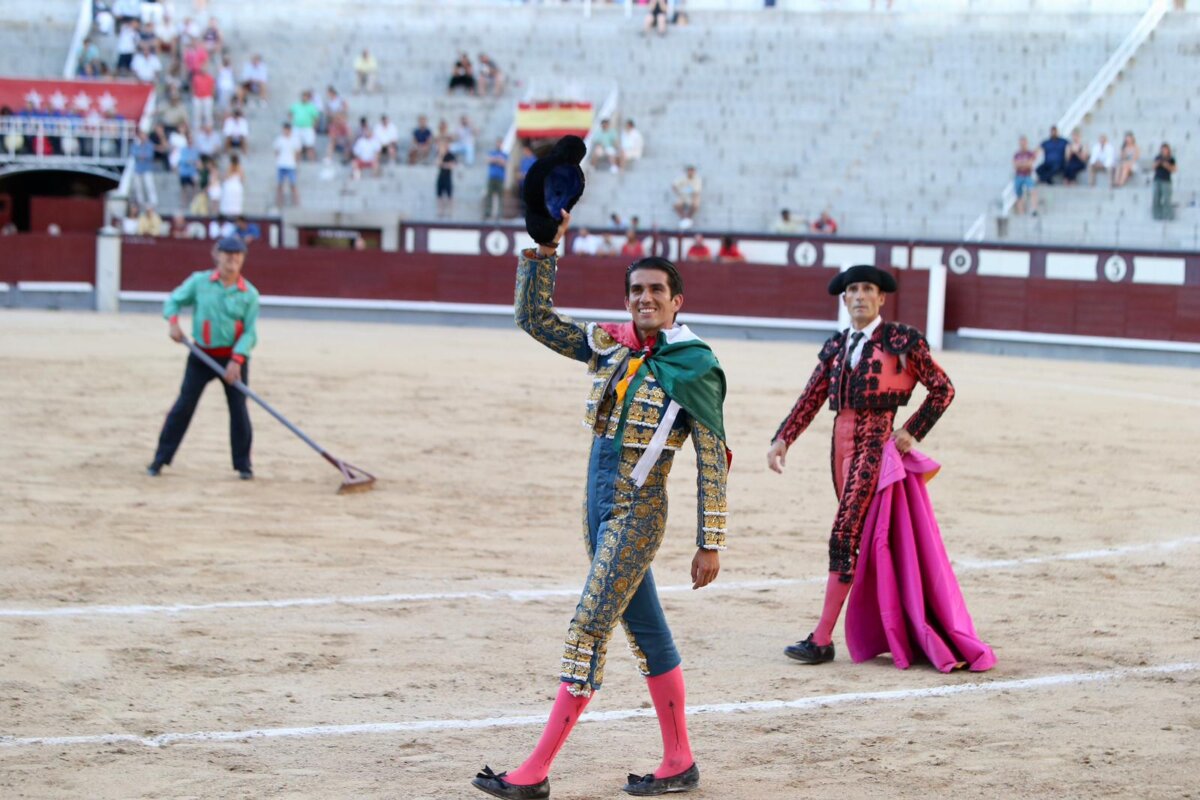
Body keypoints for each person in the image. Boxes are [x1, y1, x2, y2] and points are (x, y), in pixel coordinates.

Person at [472, 210, 728, 799]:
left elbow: (712, 455)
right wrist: (543, 248)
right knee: (649, 634)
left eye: (656, 291)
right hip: (595, 509)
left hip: (638, 514)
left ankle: (533, 772)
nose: (644, 299)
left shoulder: (696, 365)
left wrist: (710, 540)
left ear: (677, 301)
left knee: (588, 626)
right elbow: (532, 319)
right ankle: (679, 761)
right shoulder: (612, 346)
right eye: (636, 290)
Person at [766, 265, 956, 666]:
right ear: (844, 297)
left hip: (874, 440)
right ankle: (888, 623)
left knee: (845, 533)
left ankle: (822, 639)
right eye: (852, 289)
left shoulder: (901, 340)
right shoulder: (837, 345)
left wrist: (911, 430)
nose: (859, 296)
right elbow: (812, 396)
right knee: (861, 536)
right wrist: (784, 437)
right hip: (841, 441)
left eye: (868, 289)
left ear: (881, 298)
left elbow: (943, 388)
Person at [147, 236, 260, 480]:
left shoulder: (249, 293)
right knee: (183, 406)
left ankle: (244, 465)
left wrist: (237, 360)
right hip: (201, 355)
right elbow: (173, 301)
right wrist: (174, 323)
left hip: (232, 359)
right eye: (228, 254)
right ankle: (160, 459)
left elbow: (250, 332)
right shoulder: (199, 282)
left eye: (237, 255)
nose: (232, 259)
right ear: (217, 255)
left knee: (239, 410)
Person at [274, 121, 301, 207]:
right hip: (281, 164)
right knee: (280, 184)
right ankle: (279, 202)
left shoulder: (295, 139)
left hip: (291, 165)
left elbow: (297, 153)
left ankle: (296, 202)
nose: (286, 131)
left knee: (293, 184)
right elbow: (276, 151)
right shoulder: (279, 139)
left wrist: (296, 163)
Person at [290, 90, 321, 161]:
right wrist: (292, 121)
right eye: (303, 96)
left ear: (308, 98)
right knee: (297, 145)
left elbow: (316, 118)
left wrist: (314, 126)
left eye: (306, 96)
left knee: (310, 145)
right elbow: (290, 113)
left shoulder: (311, 107)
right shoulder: (296, 105)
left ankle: (312, 161)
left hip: (307, 128)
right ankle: (297, 161)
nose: (304, 98)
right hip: (297, 127)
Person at [1012, 135, 1039, 215]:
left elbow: (1030, 165)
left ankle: (1034, 209)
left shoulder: (1030, 153)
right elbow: (1015, 166)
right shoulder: (1017, 154)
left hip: (1027, 175)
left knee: (1032, 190)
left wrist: (1021, 165)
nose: (1022, 144)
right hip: (1019, 176)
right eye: (1021, 143)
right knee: (1018, 194)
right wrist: (1025, 164)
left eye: (1024, 142)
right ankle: (1021, 212)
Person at [482, 139, 508, 220]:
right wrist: (497, 159)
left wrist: (495, 160)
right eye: (498, 143)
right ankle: (488, 212)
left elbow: (504, 163)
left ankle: (500, 214)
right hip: (492, 177)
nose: (498, 145)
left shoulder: (504, 154)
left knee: (500, 196)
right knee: (489, 195)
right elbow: (487, 160)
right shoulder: (492, 152)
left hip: (500, 178)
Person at [1152, 143, 1177, 221]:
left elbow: (1174, 169)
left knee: (1166, 199)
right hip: (1157, 180)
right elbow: (1153, 167)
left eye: (1165, 149)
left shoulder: (1171, 159)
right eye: (1162, 149)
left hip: (1166, 181)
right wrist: (1158, 163)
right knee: (1156, 198)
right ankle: (1157, 216)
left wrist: (1166, 165)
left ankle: (1168, 216)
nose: (1163, 151)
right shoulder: (1157, 157)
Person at [435, 140, 457, 218]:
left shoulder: (451, 155)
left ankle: (450, 212)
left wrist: (443, 165)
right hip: (441, 177)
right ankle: (440, 212)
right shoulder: (440, 155)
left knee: (449, 196)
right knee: (439, 196)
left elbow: (452, 166)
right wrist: (441, 155)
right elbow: (437, 163)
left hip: (448, 178)